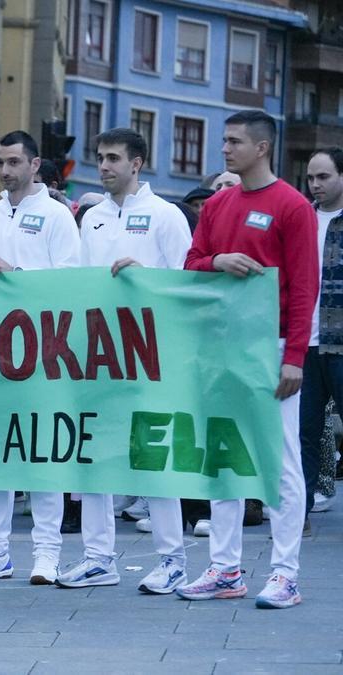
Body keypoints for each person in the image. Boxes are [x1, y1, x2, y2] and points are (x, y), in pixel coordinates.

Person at [178, 110, 318, 609]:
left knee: (280, 460)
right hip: (221, 347)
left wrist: (294, 357)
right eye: (224, 141)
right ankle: (224, 568)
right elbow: (191, 265)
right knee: (222, 454)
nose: (224, 149)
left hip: (272, 347)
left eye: (234, 141)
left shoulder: (293, 207)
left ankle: (286, 574)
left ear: (262, 147)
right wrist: (217, 260)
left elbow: (304, 288)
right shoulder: (217, 205)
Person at [55, 128, 192, 593]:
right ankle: (98, 558)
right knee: (94, 455)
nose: (104, 165)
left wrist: (145, 278)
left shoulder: (166, 216)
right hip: (97, 352)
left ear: (137, 163)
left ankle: (173, 559)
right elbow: (77, 282)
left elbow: (186, 284)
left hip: (151, 354)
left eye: (113, 157)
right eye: (99, 157)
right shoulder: (91, 218)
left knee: (150, 457)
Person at [0, 131, 79, 585]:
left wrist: (18, 274)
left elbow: (70, 283)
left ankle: (47, 552)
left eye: (12, 162)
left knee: (43, 451)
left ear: (34, 164)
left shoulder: (57, 216)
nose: (3, 170)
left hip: (43, 350)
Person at [301, 147, 343, 527]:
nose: (315, 185)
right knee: (303, 433)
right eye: (311, 178)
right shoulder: (300, 219)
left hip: (341, 344)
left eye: (324, 177)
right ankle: (299, 515)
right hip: (304, 343)